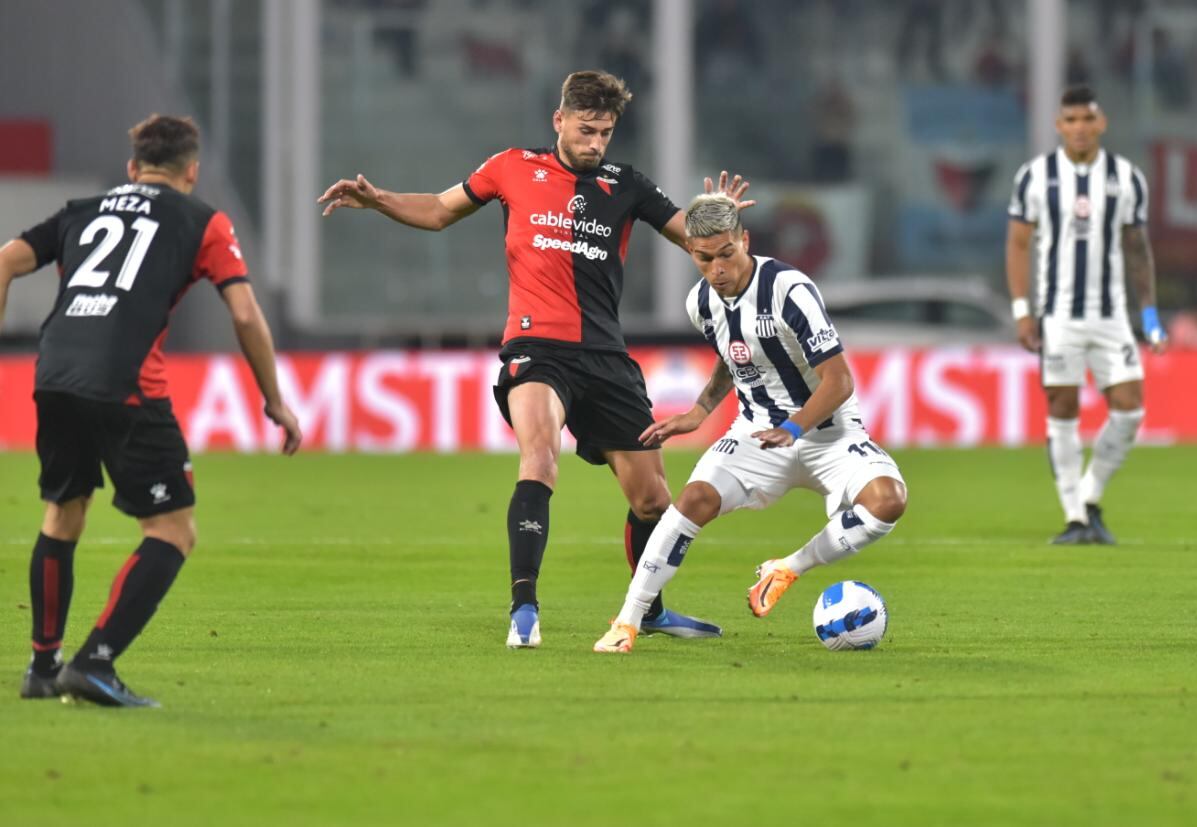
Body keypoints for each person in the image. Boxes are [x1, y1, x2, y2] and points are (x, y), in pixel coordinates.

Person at [318, 70, 752, 648]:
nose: (596, 143)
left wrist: (723, 220)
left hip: (604, 356)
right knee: (541, 457)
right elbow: (440, 209)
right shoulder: (511, 166)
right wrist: (378, 201)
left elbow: (695, 237)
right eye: (586, 129)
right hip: (535, 347)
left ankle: (648, 610)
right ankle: (524, 608)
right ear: (560, 120)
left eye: (606, 132)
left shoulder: (627, 184)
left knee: (653, 499)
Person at [0, 115, 302, 706]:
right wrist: (274, 399)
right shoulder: (203, 219)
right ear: (190, 171)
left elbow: (6, 260)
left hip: (55, 371)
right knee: (172, 530)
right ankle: (94, 663)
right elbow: (243, 314)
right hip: (127, 382)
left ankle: (42, 667)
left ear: (132, 167)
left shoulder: (80, 210)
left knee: (62, 515)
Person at [593, 194, 908, 654]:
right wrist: (700, 411)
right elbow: (732, 355)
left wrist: (795, 428)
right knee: (693, 500)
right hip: (755, 433)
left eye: (726, 254)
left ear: (745, 241)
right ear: (691, 254)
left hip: (827, 434)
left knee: (888, 501)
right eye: (704, 258)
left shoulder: (789, 289)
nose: (717, 269)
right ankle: (627, 621)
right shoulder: (700, 302)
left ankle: (788, 568)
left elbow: (839, 381)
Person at [1005, 86, 1166, 546]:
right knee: (1062, 408)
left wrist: (1150, 313)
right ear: (1059, 125)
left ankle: (1089, 495)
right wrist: (1022, 311)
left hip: (1112, 314)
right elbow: (1018, 245)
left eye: (1086, 119)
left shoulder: (1126, 178)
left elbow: (1137, 249)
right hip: (1058, 317)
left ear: (1101, 124)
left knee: (1131, 409)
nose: (1079, 127)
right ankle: (1076, 518)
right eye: (1070, 119)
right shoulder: (1036, 177)